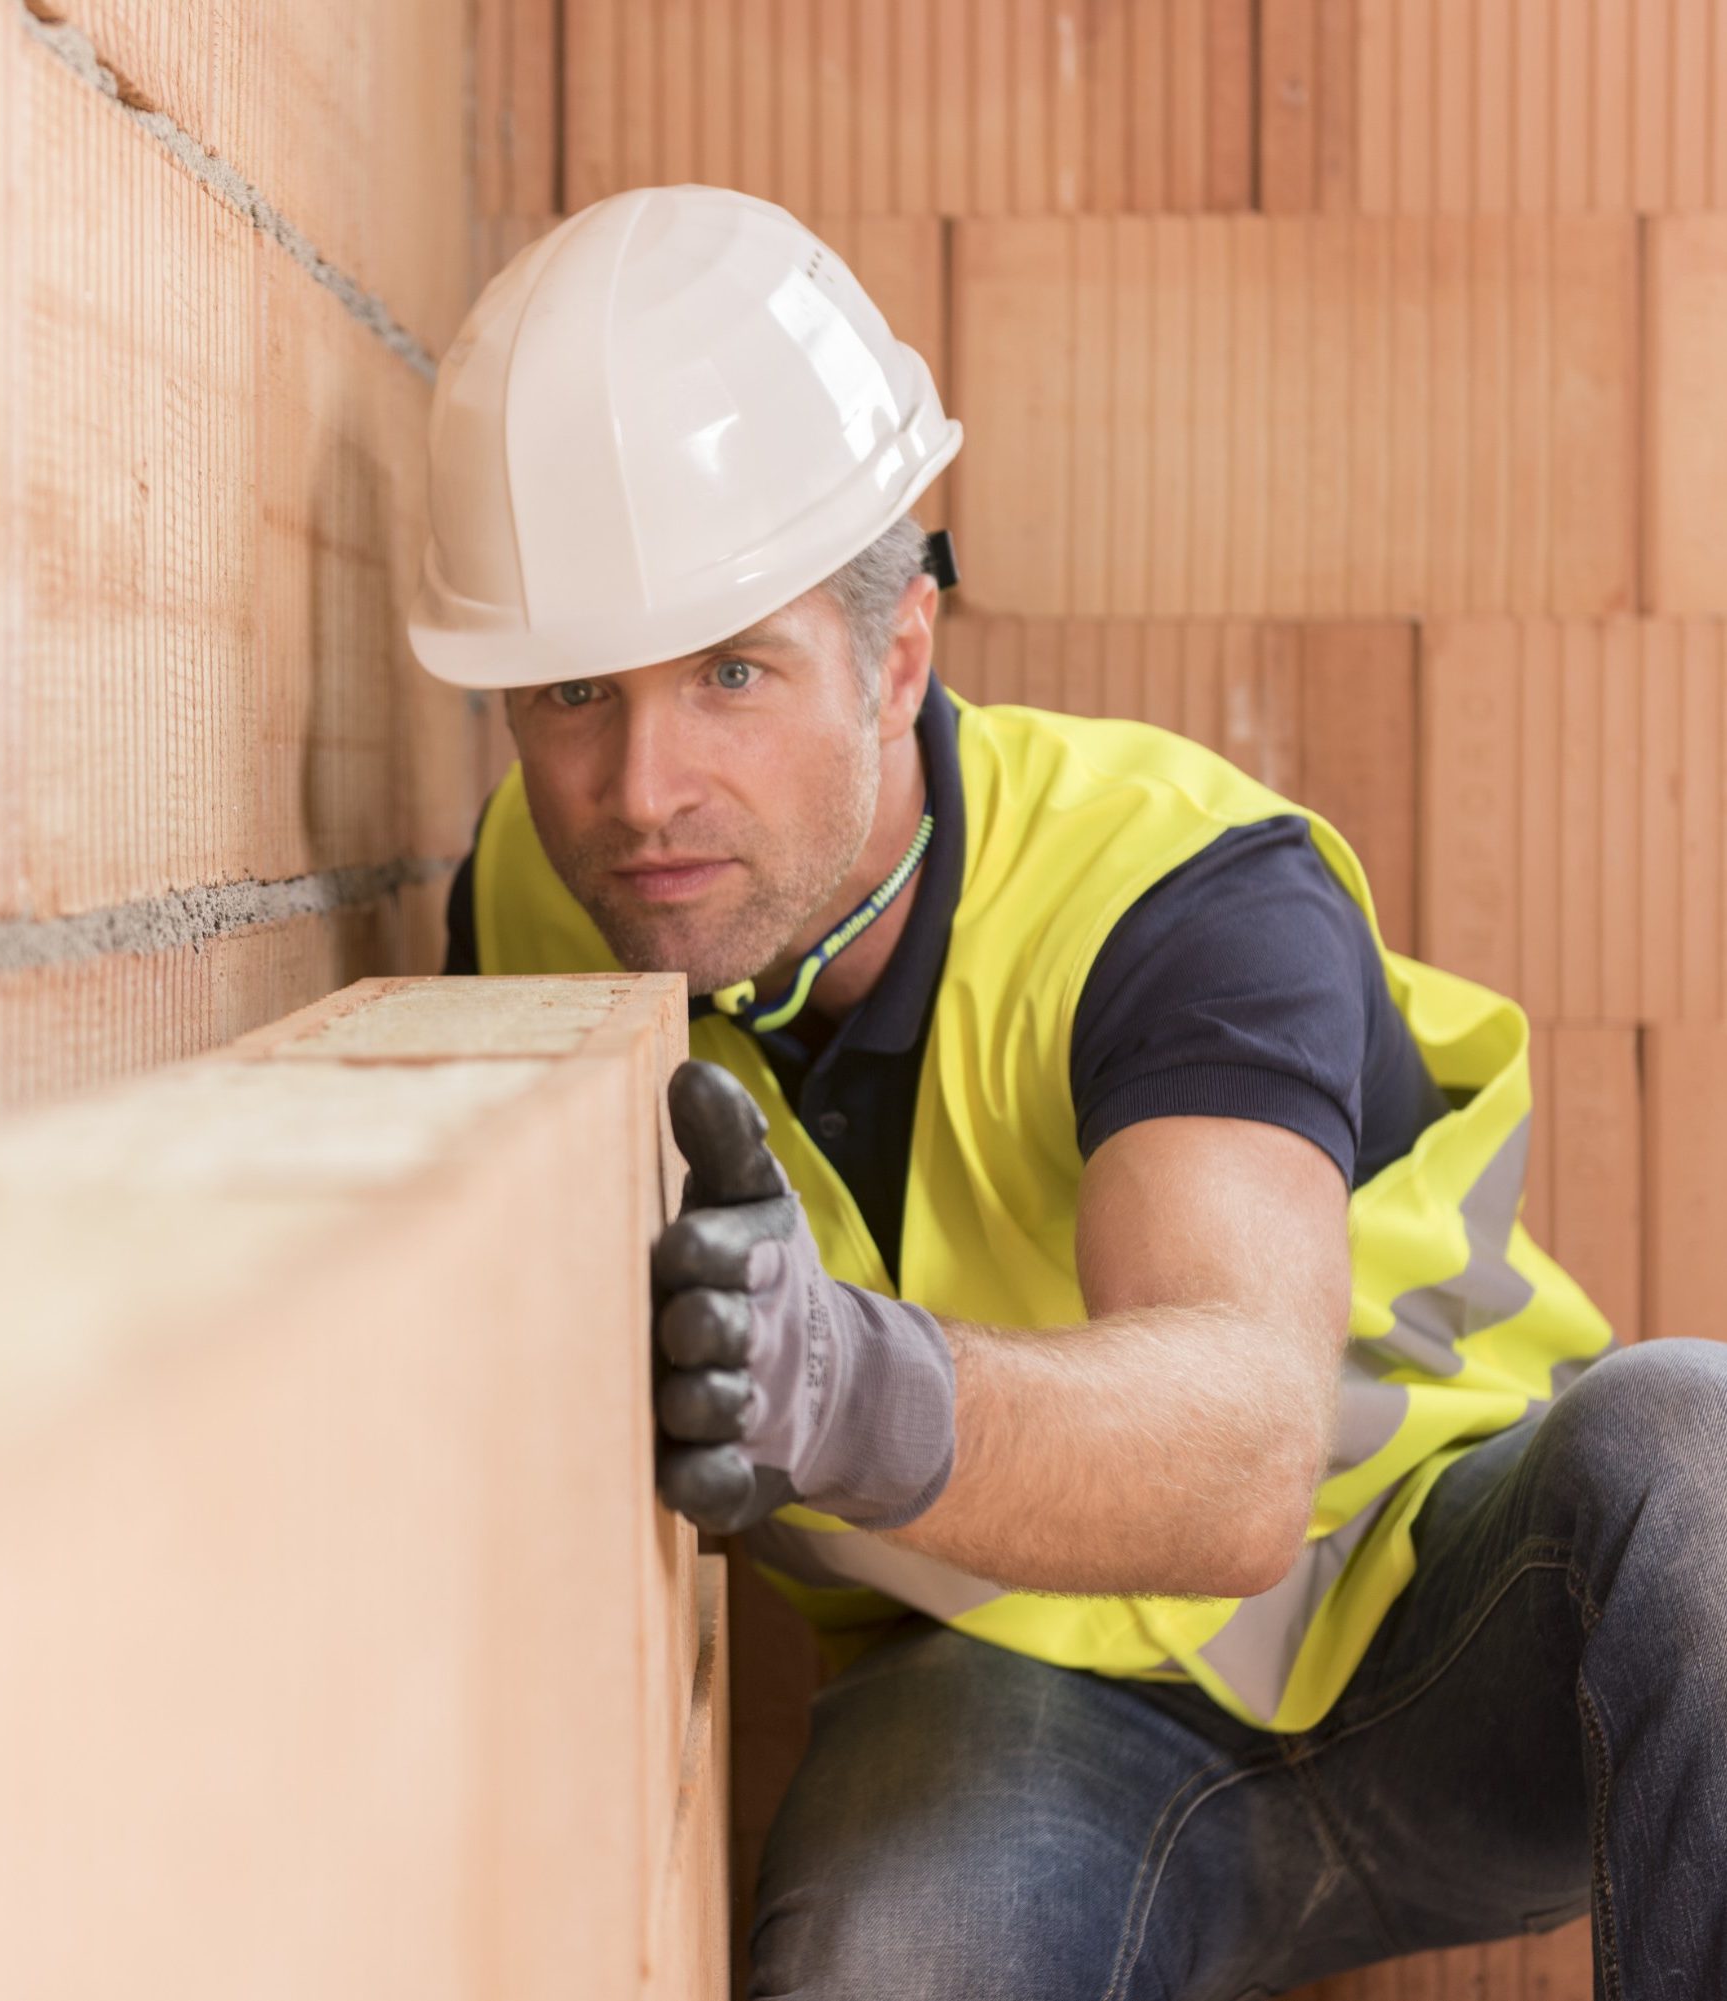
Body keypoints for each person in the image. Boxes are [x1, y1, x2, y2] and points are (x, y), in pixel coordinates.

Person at [409, 184, 1727, 1999]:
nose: (644, 789)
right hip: (1003, 1704)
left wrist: (849, 1382)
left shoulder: (1175, 890)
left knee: (1703, 1447)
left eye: (732, 672)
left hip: (1434, 1621)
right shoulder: (533, 912)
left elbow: (1248, 1458)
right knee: (890, 1963)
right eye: (571, 692)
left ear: (896, 661)